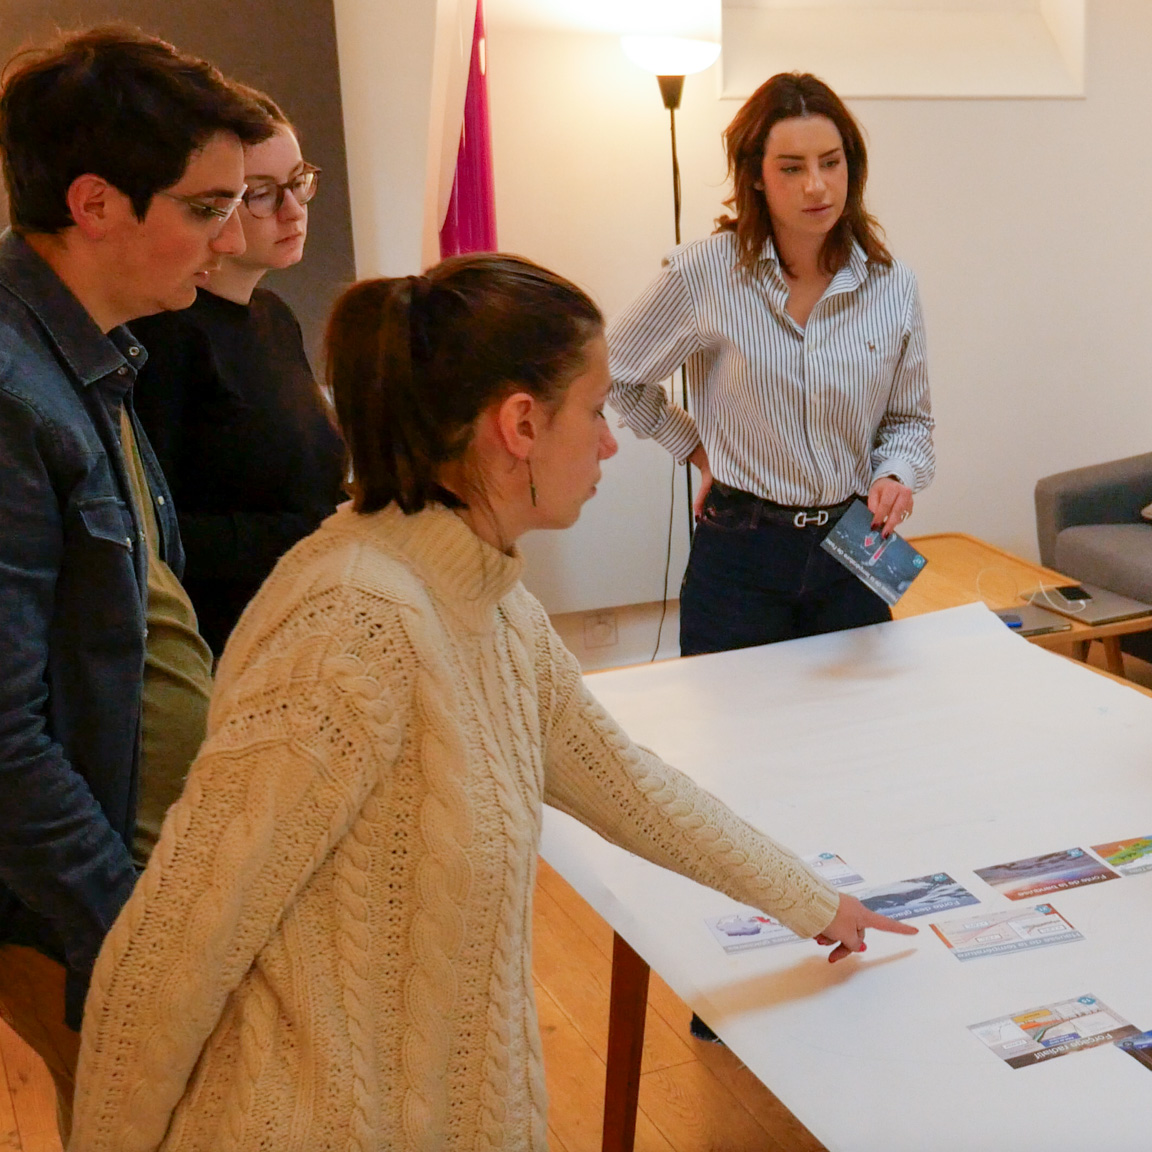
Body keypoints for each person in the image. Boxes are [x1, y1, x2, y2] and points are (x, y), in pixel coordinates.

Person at [69, 253, 915, 1150]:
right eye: (593, 412)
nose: (608, 441)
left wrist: (813, 902)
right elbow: (173, 947)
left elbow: (624, 783)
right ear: (520, 424)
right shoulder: (349, 624)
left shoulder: (488, 599)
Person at [0, 27, 269, 1136]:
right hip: (78, 906)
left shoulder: (95, 359)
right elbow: (6, 736)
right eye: (205, 207)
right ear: (98, 203)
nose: (228, 234)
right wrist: (127, 930)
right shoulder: (14, 396)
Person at [609, 71, 935, 657]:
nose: (817, 186)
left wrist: (895, 475)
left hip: (854, 541)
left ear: (851, 168)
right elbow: (617, 372)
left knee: (866, 729)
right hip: (741, 551)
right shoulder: (703, 273)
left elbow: (910, 421)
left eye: (831, 162)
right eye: (791, 167)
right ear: (755, 176)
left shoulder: (893, 283)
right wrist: (699, 446)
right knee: (738, 737)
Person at [130, 86, 346, 661]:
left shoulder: (274, 316)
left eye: (299, 182)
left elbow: (306, 487)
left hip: (306, 622)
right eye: (262, 195)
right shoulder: (163, 333)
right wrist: (323, 529)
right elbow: (158, 535)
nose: (294, 210)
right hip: (223, 645)